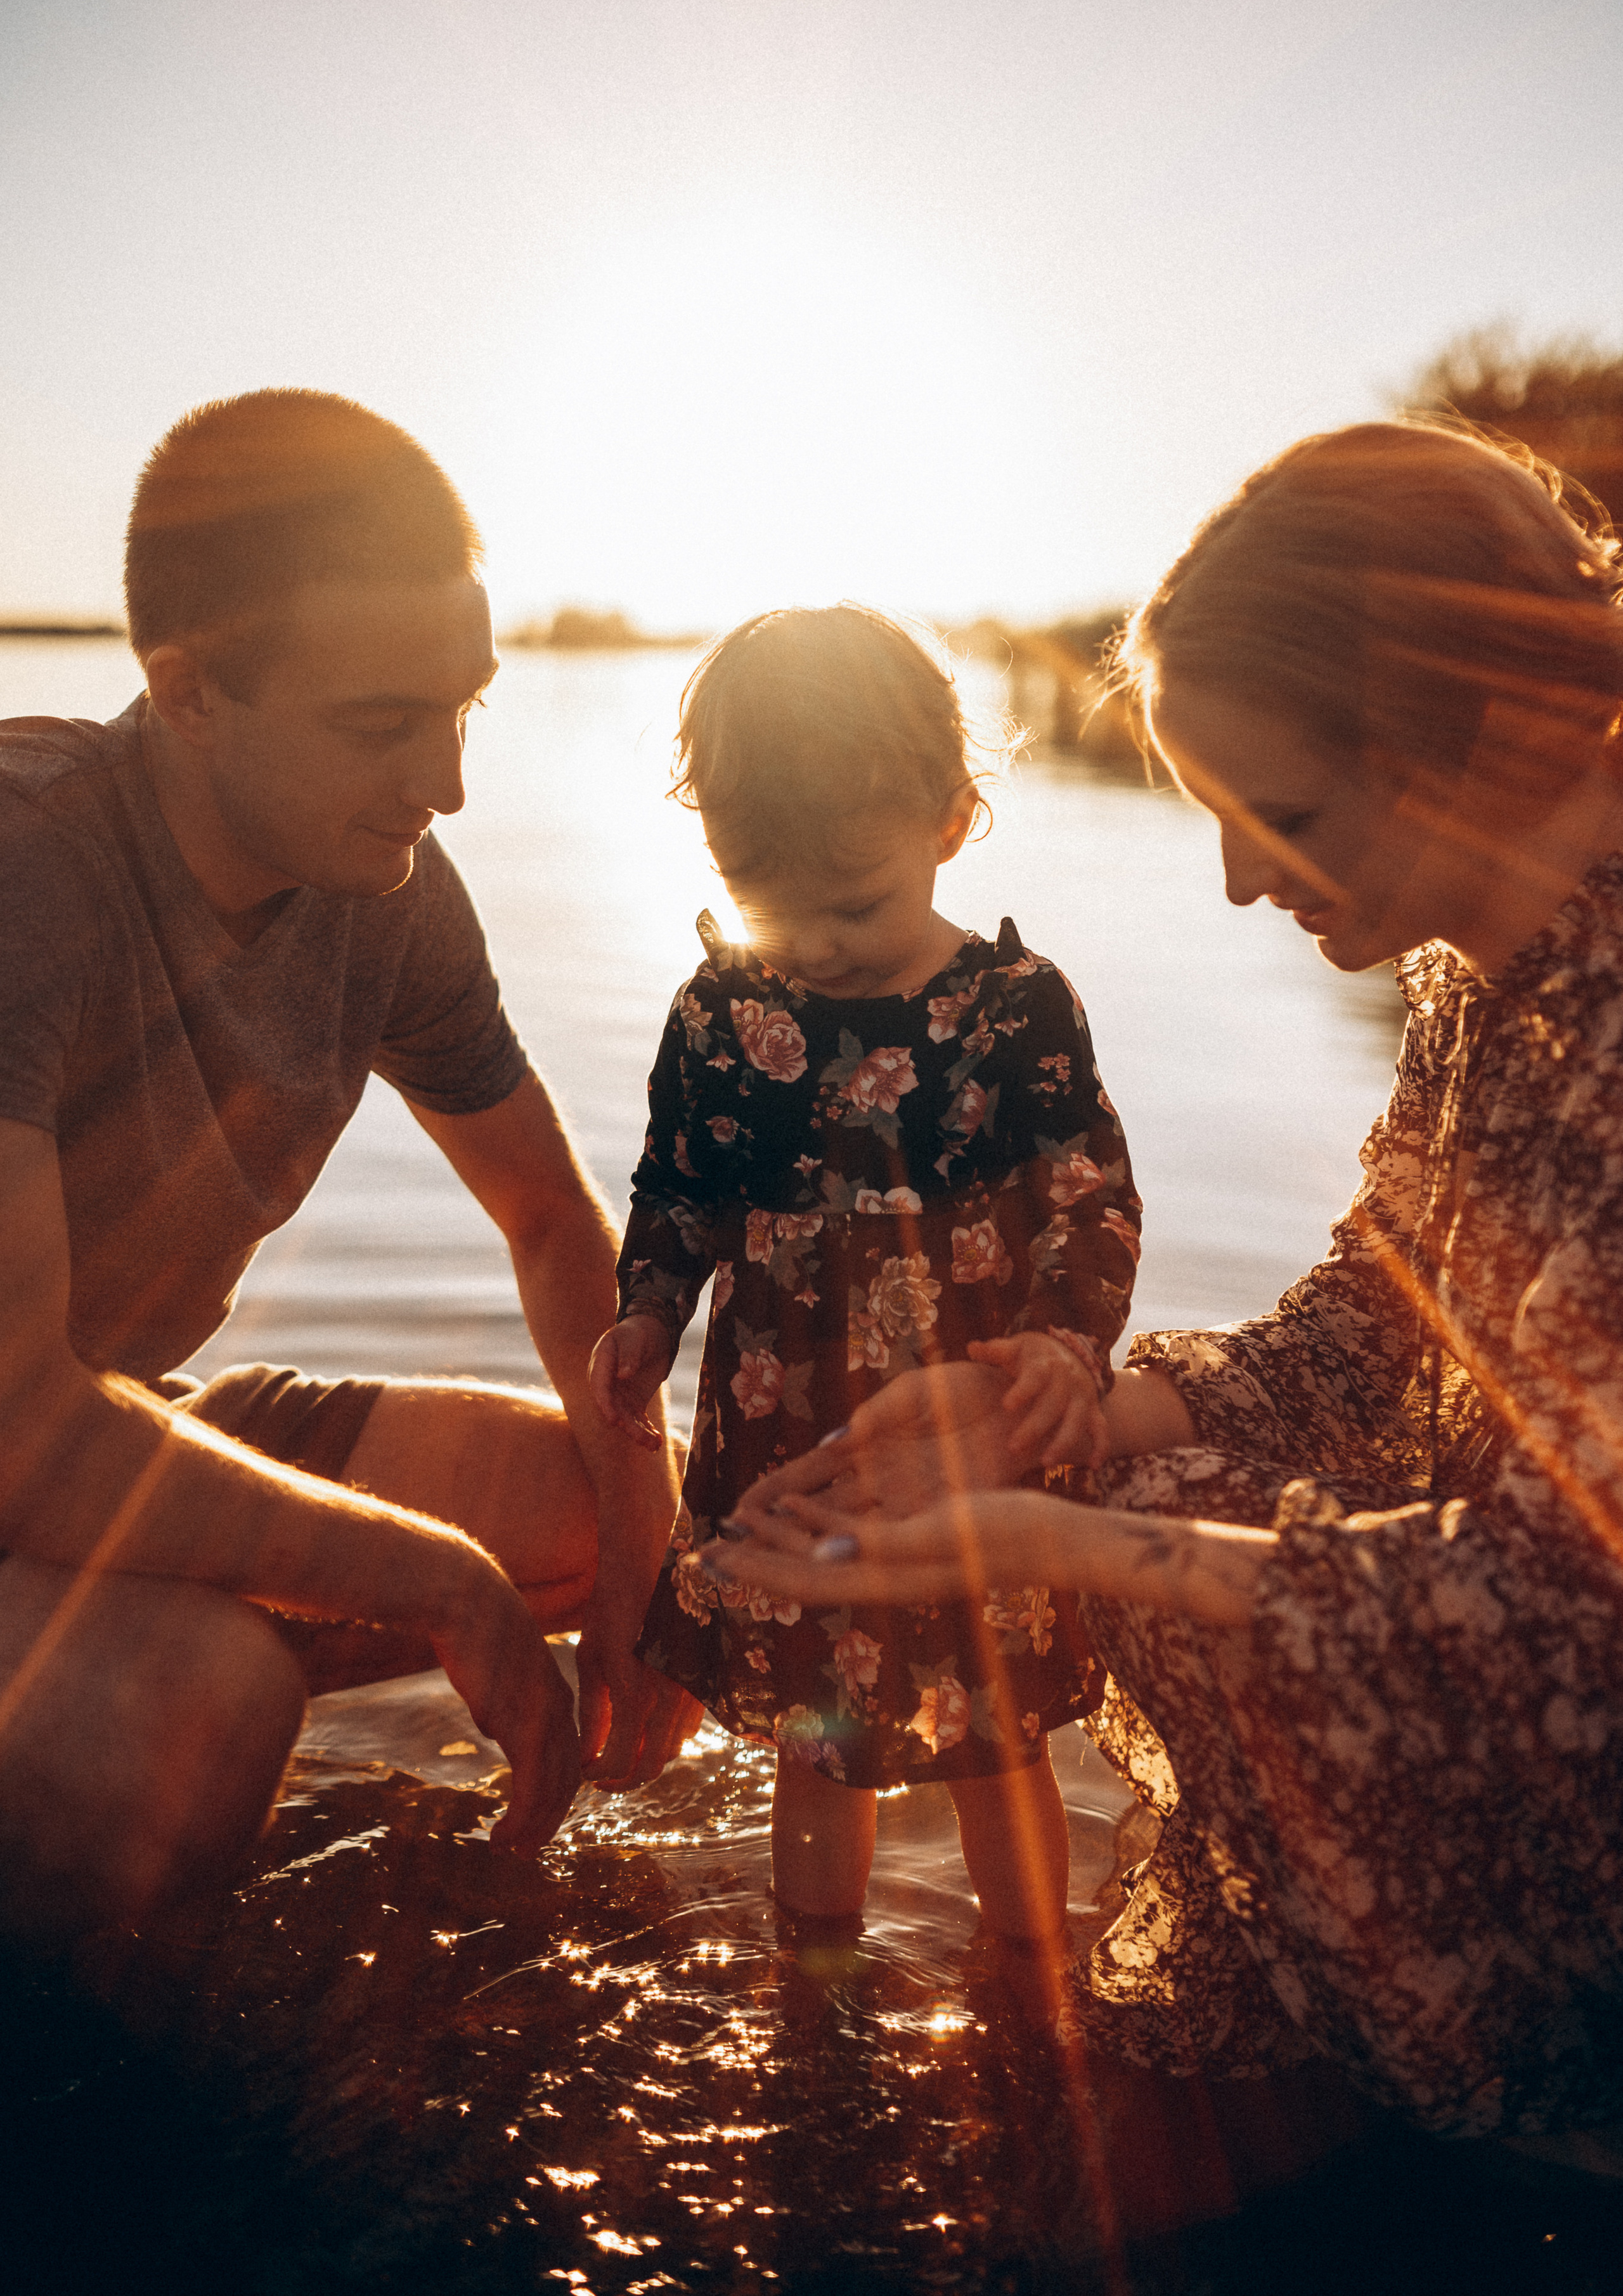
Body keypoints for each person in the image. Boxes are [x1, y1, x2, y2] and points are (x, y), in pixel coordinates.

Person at [705, 424, 1623, 2144]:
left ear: (1483, 732)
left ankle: (1528, 2065)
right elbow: (1370, 1325)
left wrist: (1042, 1538)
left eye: (1288, 816)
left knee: (1134, 1529)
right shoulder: (1476, 970)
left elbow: (1564, 1618)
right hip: (1532, 1654)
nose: (1240, 880)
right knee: (1122, 1481)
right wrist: (1043, 1415)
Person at [0, 388, 694, 1954]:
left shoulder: (388, 888)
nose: (445, 784)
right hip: (26, 1443)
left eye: (465, 709)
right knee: (204, 1708)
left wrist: (643, 1551)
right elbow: (23, 1432)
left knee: (616, 1517)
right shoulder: (26, 866)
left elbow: (544, 1216)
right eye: (382, 726)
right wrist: (434, 1584)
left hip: (105, 1427)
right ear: (188, 691)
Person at [588, 605, 1141, 1989]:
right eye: (770, 905)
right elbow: (680, 1184)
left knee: (997, 1730)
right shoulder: (718, 1011)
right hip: (788, 1434)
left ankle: (1033, 1979)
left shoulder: (1015, 1008)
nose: (815, 947)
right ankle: (816, 1996)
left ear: (953, 820)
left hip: (968, 1435)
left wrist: (1066, 1343)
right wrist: (648, 1306)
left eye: (853, 906)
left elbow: (1086, 1194)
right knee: (816, 1732)